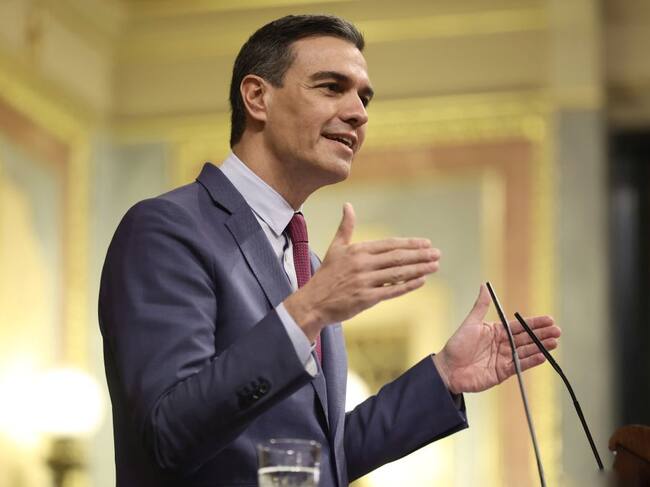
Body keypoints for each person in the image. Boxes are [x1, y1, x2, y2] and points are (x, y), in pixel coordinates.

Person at [98, 14, 561, 486]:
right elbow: (168, 433)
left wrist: (442, 376)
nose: (359, 112)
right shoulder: (167, 228)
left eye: (364, 97)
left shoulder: (310, 267)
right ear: (257, 97)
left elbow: (321, 458)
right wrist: (310, 309)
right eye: (332, 87)